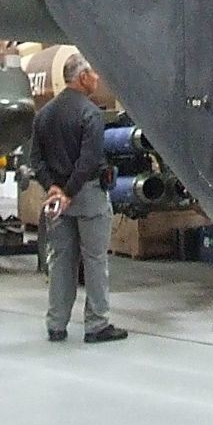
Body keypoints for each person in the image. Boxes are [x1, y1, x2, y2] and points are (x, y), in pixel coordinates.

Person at [29, 53, 128, 345]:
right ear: (82, 77)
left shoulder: (44, 114)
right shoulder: (90, 114)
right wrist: (70, 192)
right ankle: (96, 324)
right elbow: (88, 161)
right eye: (94, 73)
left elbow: (36, 159)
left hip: (57, 200)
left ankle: (56, 324)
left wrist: (54, 189)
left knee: (61, 260)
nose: (98, 78)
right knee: (95, 259)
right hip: (86, 196)